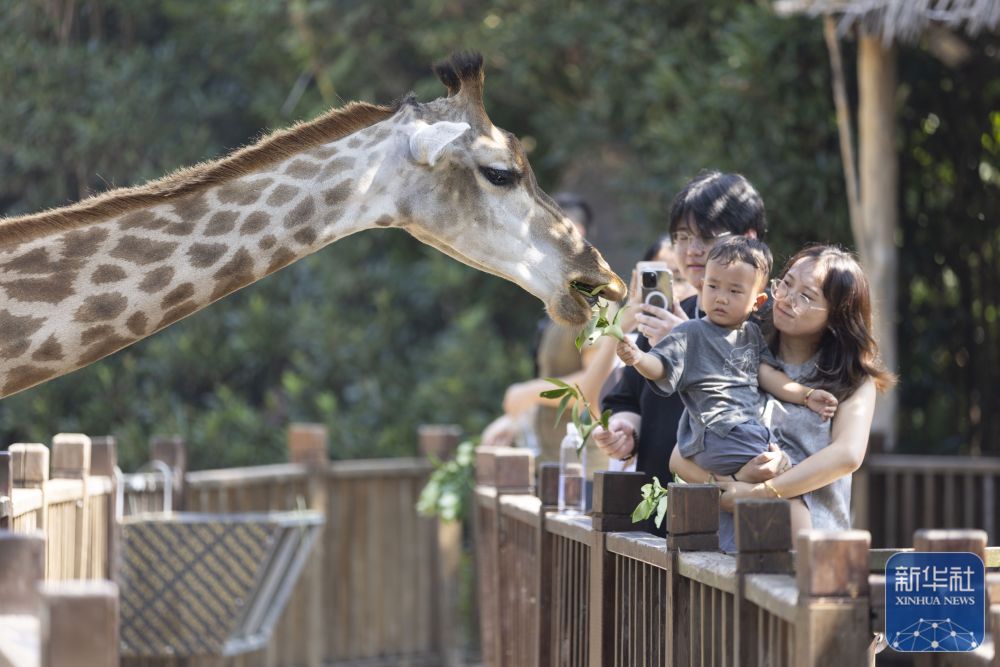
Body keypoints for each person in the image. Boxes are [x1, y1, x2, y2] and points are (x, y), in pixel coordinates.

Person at [669, 245, 896, 550]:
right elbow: (679, 455)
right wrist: (728, 485)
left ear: (836, 315)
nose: (787, 299)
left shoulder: (852, 379)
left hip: (814, 549)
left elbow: (847, 456)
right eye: (786, 284)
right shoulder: (736, 354)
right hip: (728, 549)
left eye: (806, 296)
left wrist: (761, 492)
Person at [616, 237, 838, 535]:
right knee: (791, 491)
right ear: (702, 285)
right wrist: (639, 358)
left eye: (734, 291)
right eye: (713, 286)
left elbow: (768, 376)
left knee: (768, 493)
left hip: (740, 433)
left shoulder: (750, 335)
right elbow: (661, 366)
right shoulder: (690, 331)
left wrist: (806, 395)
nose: (721, 298)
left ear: (757, 302)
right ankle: (802, 557)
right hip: (718, 431)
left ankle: (741, 488)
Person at [595, 171, 770, 500]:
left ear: (749, 238)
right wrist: (625, 431)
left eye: (707, 236)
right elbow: (627, 398)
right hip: (658, 508)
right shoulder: (670, 312)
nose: (692, 250)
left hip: (736, 507)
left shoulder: (766, 320)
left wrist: (689, 343)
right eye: (682, 237)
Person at [481, 193, 615, 470]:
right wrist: (515, 420)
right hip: (552, 463)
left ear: (575, 234)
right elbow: (553, 383)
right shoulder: (560, 298)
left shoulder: (596, 300)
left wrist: (528, 393)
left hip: (587, 468)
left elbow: (596, 388)